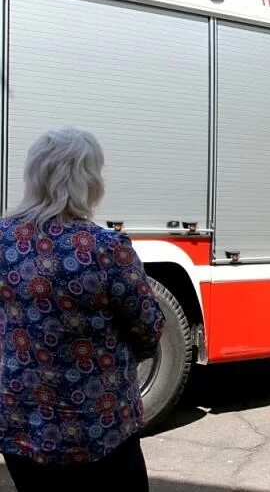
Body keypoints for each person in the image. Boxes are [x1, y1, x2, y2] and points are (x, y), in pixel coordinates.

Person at [0, 128, 165, 491]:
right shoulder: (106, 248)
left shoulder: (3, 239)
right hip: (98, 434)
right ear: (86, 180)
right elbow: (149, 329)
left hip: (21, 427)